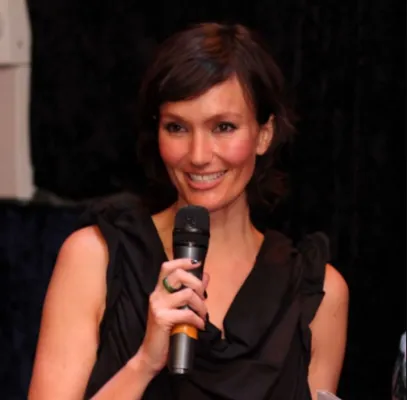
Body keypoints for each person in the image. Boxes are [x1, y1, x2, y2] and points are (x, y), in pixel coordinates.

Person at [28, 22, 349, 400]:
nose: (198, 156)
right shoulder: (95, 258)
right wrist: (144, 363)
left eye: (223, 127)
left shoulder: (317, 291)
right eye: (177, 128)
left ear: (264, 134)